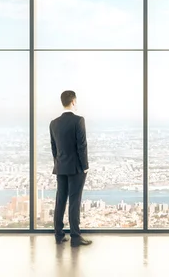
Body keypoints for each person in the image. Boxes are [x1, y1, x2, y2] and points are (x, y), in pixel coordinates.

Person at [50, 90, 92, 247]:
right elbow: (82, 146)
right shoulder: (79, 120)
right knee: (75, 200)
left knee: (60, 200)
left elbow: (53, 147)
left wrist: (58, 162)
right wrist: (85, 166)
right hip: (76, 168)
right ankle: (75, 237)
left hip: (60, 166)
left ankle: (59, 235)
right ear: (73, 102)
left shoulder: (53, 123)